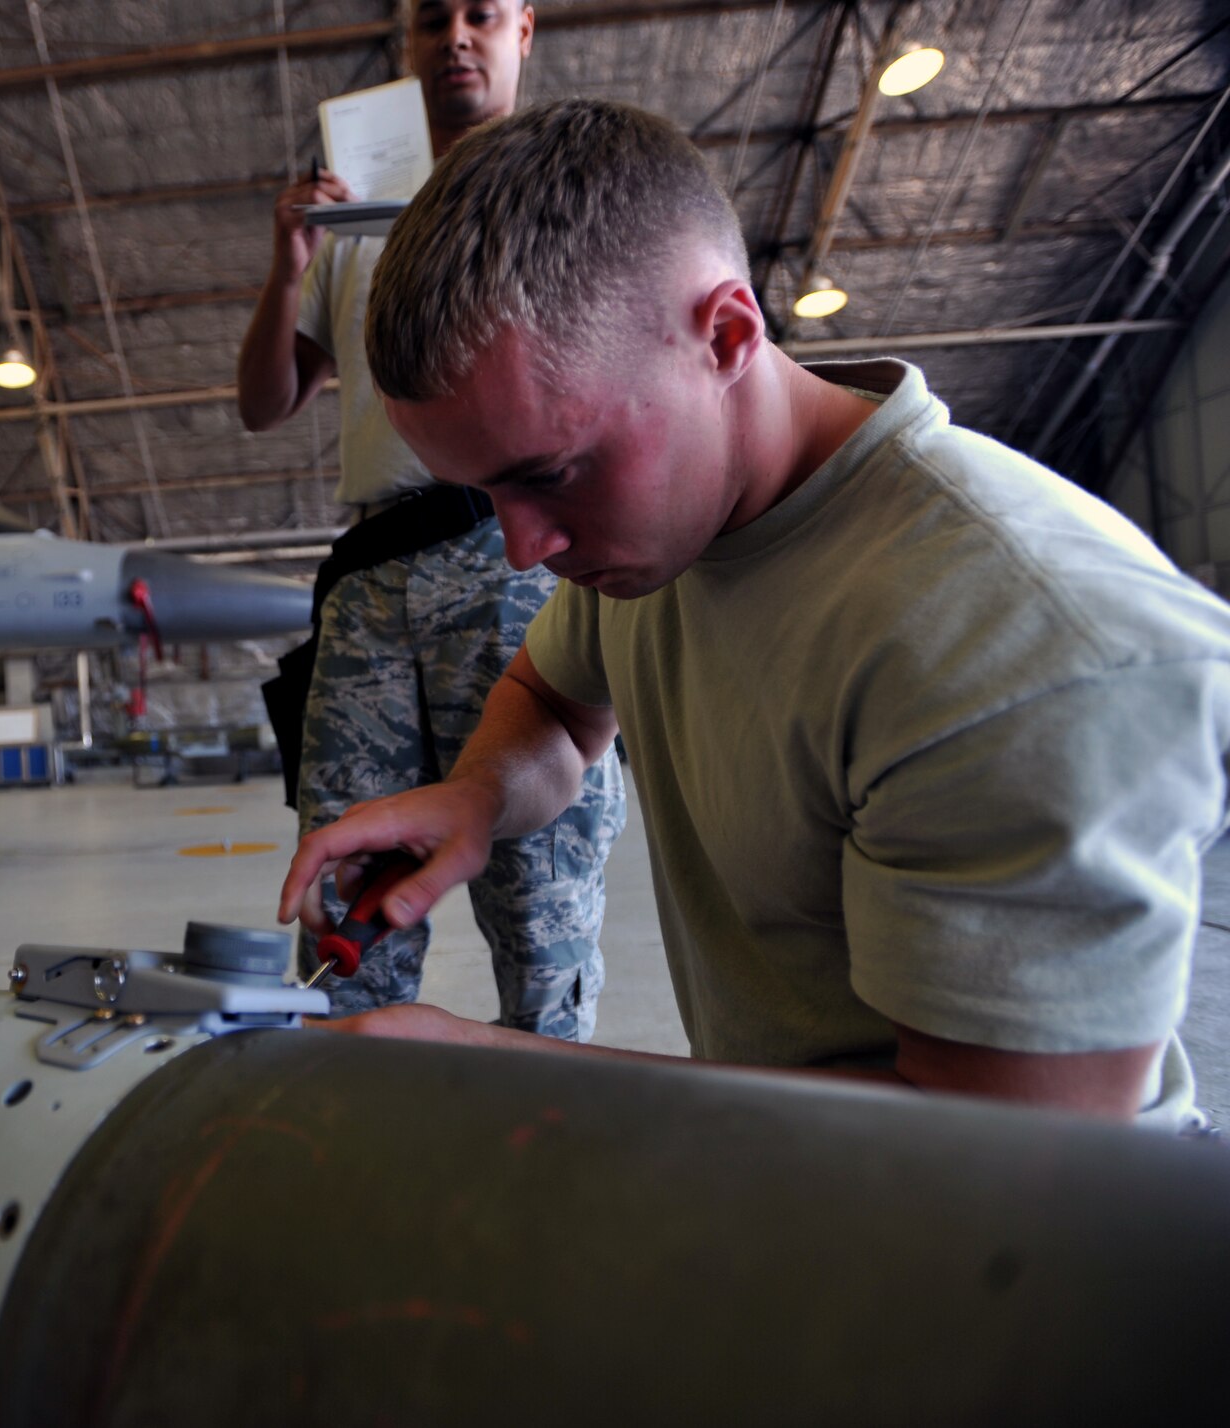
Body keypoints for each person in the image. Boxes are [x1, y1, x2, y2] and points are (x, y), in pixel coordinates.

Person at [280, 97, 1230, 1130]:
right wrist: (474, 800)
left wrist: (510, 1070)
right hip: (811, 1192)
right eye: (485, 494)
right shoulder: (658, 535)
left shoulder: (1025, 642)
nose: (521, 547)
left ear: (725, 333)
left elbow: (1002, 1160)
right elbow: (552, 699)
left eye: (547, 475)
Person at [239, 0, 625, 1040]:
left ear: (521, 33)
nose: (453, 35)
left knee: (538, 907)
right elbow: (263, 402)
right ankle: (349, 1147)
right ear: (405, 44)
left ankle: (550, 1152)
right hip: (373, 574)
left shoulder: (561, 194)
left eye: (480, 15)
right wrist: (289, 269)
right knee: (344, 899)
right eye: (428, 19)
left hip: (507, 553)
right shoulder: (356, 214)